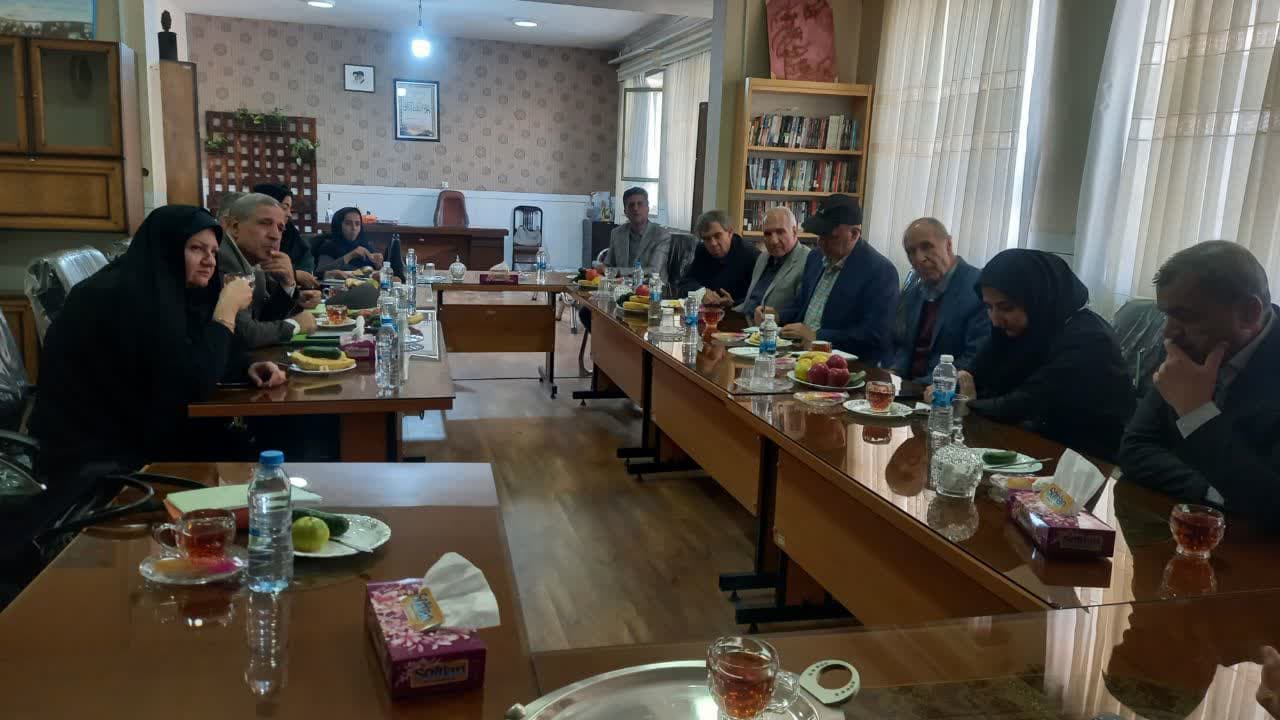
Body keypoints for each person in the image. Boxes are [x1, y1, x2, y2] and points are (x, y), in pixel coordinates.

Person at [29, 206, 287, 478]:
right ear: (167, 249)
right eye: (196, 249)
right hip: (105, 452)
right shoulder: (121, 297)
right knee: (260, 447)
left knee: (266, 439)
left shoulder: (169, 289)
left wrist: (245, 366)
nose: (210, 261)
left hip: (147, 426)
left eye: (213, 252)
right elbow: (192, 384)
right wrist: (227, 309)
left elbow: (195, 346)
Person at [1118, 241, 1280, 530]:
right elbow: (1134, 450)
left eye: (1187, 317)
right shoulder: (1187, 346)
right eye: (1166, 315)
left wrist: (1196, 414)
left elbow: (1273, 503)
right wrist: (1214, 491)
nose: (1168, 333)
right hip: (1188, 528)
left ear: (1249, 313)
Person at [946, 249, 1134, 460]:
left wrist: (964, 403)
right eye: (988, 307)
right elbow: (972, 374)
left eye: (1006, 307)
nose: (995, 320)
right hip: (1027, 443)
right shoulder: (1024, 328)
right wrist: (950, 391)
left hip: (1082, 461)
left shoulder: (1090, 340)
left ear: (1038, 298)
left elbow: (1020, 404)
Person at [758, 194, 899, 364]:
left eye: (829, 236)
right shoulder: (816, 257)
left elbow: (875, 335)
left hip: (846, 365)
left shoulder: (880, 271)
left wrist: (818, 337)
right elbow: (802, 305)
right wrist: (778, 316)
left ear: (854, 234)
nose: (820, 242)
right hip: (802, 355)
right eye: (819, 234)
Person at [889, 218, 989, 383]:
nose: (919, 258)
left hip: (944, 391)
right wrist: (894, 372)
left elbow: (975, 358)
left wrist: (922, 385)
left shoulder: (978, 289)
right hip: (907, 387)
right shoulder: (914, 289)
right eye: (911, 252)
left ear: (948, 245)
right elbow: (905, 347)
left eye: (926, 247)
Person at [219, 193, 319, 347]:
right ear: (234, 227)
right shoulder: (224, 258)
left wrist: (287, 284)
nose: (275, 236)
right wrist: (295, 325)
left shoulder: (256, 263)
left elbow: (263, 319)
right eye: (265, 223)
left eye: (280, 228)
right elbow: (244, 334)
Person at [739, 207, 811, 321]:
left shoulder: (809, 261)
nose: (773, 241)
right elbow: (753, 299)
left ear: (794, 231)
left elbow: (802, 310)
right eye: (768, 234)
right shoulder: (763, 257)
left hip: (774, 328)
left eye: (780, 232)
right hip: (745, 321)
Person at [251, 182, 318, 287]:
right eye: (284, 207)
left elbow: (308, 269)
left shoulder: (292, 235)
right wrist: (294, 274)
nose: (289, 214)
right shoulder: (253, 236)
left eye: (290, 208)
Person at [687, 210, 758, 307]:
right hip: (708, 312)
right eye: (707, 239)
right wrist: (701, 291)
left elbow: (759, 298)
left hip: (738, 313)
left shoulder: (751, 255)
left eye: (717, 236)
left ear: (730, 233)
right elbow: (685, 283)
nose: (713, 243)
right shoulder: (702, 250)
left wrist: (734, 303)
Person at [314, 206, 404, 280]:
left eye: (357, 224)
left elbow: (377, 273)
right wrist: (350, 255)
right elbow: (319, 272)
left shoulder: (365, 245)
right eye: (348, 223)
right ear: (338, 225)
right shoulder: (329, 246)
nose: (354, 228)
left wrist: (378, 265)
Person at [605, 187, 671, 277]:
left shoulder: (661, 235)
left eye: (640, 204)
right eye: (631, 205)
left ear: (647, 208)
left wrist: (616, 271)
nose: (635, 208)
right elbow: (608, 265)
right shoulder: (617, 233)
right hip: (620, 284)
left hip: (650, 284)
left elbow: (653, 270)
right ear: (625, 211)